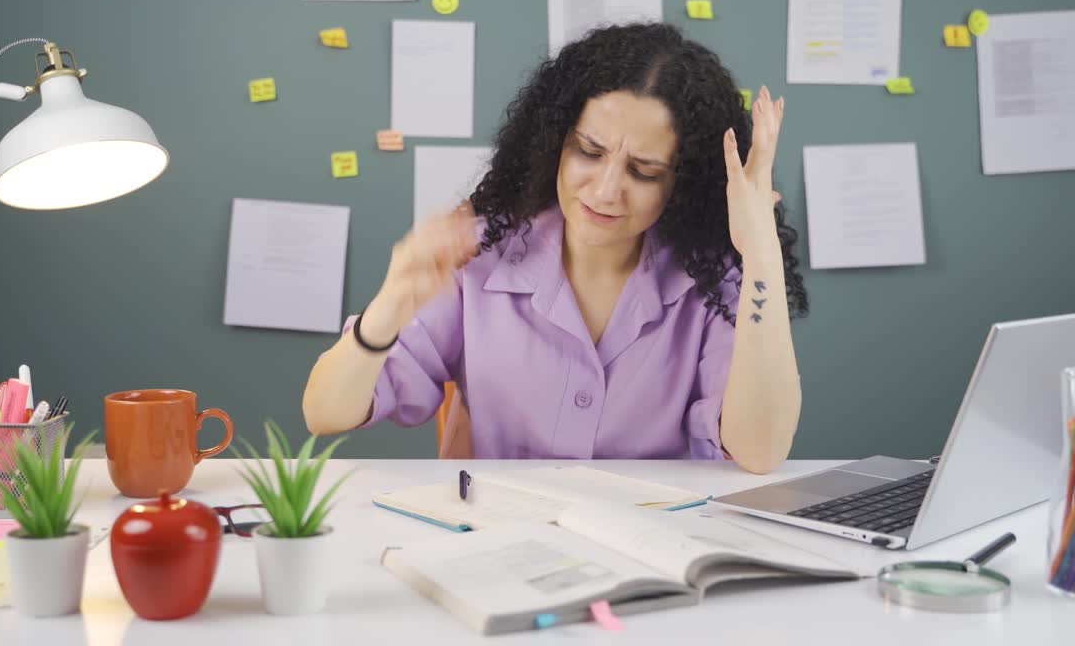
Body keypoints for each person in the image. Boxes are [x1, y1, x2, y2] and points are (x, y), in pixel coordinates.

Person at [303, 23, 808, 473]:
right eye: (589, 152)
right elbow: (324, 413)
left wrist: (759, 250)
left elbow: (759, 451)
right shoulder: (481, 253)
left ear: (685, 183)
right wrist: (388, 308)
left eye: (644, 171)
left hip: (656, 551)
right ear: (554, 142)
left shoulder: (712, 282)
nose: (606, 190)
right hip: (504, 546)